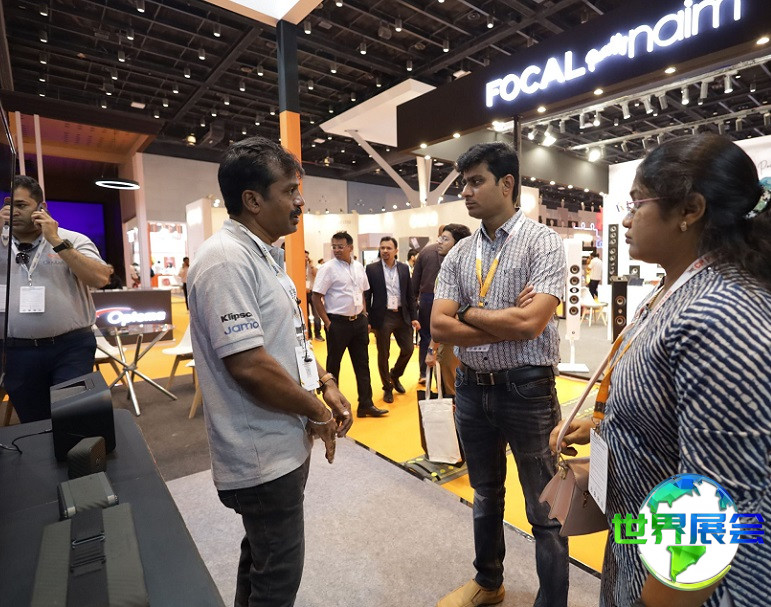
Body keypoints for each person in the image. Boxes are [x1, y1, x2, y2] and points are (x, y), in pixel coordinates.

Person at [550, 134, 771, 607]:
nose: (626, 220)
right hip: (641, 552)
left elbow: (714, 506)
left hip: (691, 586)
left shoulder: (719, 313)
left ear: (690, 210)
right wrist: (608, 424)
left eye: (637, 203)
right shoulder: (675, 288)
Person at [187, 137, 353, 607]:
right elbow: (250, 366)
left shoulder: (264, 255)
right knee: (277, 578)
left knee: (261, 558)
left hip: (281, 442)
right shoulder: (225, 261)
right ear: (253, 200)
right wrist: (317, 412)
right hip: (260, 454)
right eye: (289, 191)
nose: (301, 201)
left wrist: (325, 381)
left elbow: (289, 339)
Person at [432, 142, 568, 607]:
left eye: (476, 182)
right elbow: (438, 325)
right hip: (472, 388)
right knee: (485, 494)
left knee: (545, 508)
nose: (466, 192)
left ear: (507, 183)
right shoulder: (459, 253)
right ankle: (489, 583)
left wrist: (467, 311)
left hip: (527, 389)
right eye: (463, 183)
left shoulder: (543, 243)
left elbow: (531, 324)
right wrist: (505, 317)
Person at [0, 175, 111, 423]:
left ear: (41, 208)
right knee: (34, 423)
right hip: (16, 352)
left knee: (73, 418)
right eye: (9, 205)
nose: (13, 212)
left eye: (21, 205)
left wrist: (57, 242)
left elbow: (100, 278)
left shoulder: (72, 239)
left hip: (71, 348)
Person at [313, 232, 385, 418]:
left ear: (350, 248)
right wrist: (327, 323)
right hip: (337, 323)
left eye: (340, 246)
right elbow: (316, 296)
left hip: (359, 322)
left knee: (363, 364)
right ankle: (335, 408)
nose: (337, 250)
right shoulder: (328, 268)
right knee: (333, 366)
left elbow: (362, 292)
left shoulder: (359, 267)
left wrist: (364, 315)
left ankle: (366, 404)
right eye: (334, 246)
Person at [364, 236, 419, 403]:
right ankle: (387, 387)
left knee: (408, 349)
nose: (385, 251)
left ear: (396, 250)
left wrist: (414, 317)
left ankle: (394, 375)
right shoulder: (371, 269)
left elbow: (410, 295)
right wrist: (367, 319)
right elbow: (367, 295)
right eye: (382, 248)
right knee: (384, 354)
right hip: (383, 316)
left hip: (402, 315)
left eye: (388, 248)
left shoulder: (403, 268)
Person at [424, 223, 471, 397]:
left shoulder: (452, 273)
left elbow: (444, 316)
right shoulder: (466, 268)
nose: (439, 242)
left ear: (458, 244)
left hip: (450, 342)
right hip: (463, 341)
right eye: (440, 238)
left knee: (449, 393)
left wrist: (432, 349)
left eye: (445, 239)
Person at [412, 225, 445, 383]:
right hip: (446, 299)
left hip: (427, 298)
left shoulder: (425, 252)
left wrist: (415, 300)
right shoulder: (457, 251)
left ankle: (424, 374)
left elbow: (415, 281)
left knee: (425, 336)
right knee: (445, 337)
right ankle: (442, 377)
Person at [304, 250, 323, 341]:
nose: (306, 258)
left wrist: (311, 265)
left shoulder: (311, 267)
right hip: (303, 293)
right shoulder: (297, 265)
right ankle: (309, 335)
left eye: (307, 256)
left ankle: (318, 334)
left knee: (316, 314)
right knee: (306, 314)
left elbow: (316, 274)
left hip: (312, 292)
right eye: (304, 256)